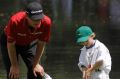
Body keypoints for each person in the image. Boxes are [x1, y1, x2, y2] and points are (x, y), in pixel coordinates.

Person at [0, 1, 52, 79]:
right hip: (10, 44)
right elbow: (10, 44)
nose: (38, 22)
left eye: (39, 19)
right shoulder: (15, 21)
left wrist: (36, 63)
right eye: (35, 19)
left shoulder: (46, 22)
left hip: (29, 42)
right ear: (26, 17)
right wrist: (14, 65)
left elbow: (41, 43)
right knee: (13, 75)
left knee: (36, 72)